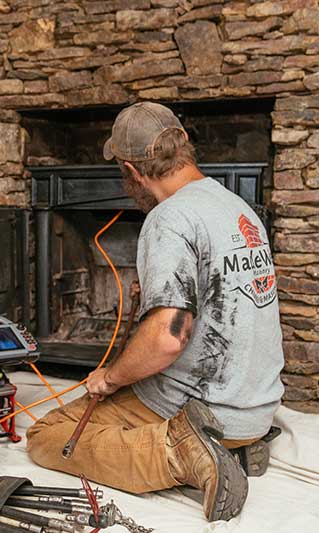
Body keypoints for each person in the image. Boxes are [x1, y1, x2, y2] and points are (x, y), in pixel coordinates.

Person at [26, 102, 285, 522]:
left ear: (130, 170)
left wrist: (108, 378)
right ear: (183, 142)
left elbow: (168, 337)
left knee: (46, 435)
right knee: (118, 404)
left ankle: (182, 454)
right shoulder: (235, 206)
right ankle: (232, 449)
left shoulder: (170, 218)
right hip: (256, 408)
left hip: (206, 407)